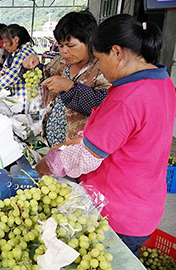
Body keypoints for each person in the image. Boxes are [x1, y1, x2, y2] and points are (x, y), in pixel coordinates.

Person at [36, 14, 176, 256]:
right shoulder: (162, 82)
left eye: (100, 60)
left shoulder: (127, 98)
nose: (99, 67)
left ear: (117, 53)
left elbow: (84, 158)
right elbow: (127, 138)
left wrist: (48, 164)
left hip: (115, 212)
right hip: (144, 204)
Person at [24, 11, 111, 147]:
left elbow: (104, 105)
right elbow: (42, 75)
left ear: (89, 42)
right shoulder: (60, 63)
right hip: (52, 144)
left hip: (78, 149)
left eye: (70, 46)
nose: (63, 51)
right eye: (60, 45)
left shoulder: (102, 68)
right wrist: (31, 66)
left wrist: (70, 87)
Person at [0, 24, 38, 111]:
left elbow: (11, 77)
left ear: (16, 39)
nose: (4, 45)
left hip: (24, 100)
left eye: (5, 42)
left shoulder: (23, 54)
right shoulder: (23, 51)